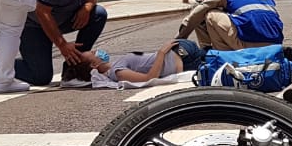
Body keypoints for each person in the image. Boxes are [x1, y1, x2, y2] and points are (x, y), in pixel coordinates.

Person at [12, 0, 110, 86]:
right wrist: (63, 45)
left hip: (62, 19)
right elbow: (42, 12)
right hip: (34, 24)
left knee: (98, 13)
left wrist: (87, 8)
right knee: (40, 76)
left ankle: (73, 68)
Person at [62, 39, 204, 85]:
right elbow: (149, 78)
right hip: (184, 58)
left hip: (180, 54)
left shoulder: (116, 66)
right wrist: (161, 53)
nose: (97, 50)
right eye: (93, 53)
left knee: (219, 54)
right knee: (218, 57)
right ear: (94, 65)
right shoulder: (118, 72)